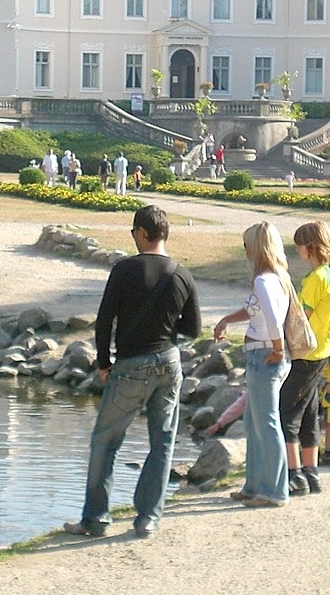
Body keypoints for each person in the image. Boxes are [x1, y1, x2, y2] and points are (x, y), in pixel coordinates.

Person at [63, 205, 202, 538]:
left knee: (105, 440)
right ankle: (147, 518)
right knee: (162, 442)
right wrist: (166, 324)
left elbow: (105, 320)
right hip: (169, 363)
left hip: (131, 365)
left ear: (141, 232)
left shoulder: (124, 270)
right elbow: (194, 329)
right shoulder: (182, 274)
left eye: (133, 232)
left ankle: (96, 519)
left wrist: (103, 362)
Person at [212, 222, 294, 508]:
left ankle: (274, 491)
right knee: (254, 421)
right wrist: (227, 320)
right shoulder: (278, 277)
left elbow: (271, 318)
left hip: (265, 355)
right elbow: (254, 309)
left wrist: (278, 348)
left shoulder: (263, 280)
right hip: (264, 355)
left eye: (247, 245)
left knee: (267, 424)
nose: (245, 250)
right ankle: (255, 485)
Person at [282, 222, 330, 496]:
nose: (297, 250)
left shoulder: (316, 279)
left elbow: (300, 317)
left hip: (306, 354)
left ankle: (294, 474)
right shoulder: (327, 275)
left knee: (288, 414)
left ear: (311, 247)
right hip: (321, 353)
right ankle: (311, 471)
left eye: (300, 245)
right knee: (309, 413)